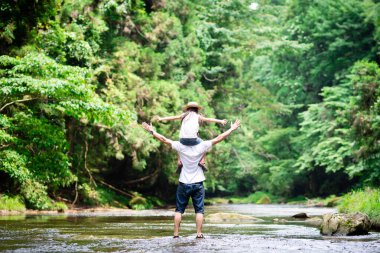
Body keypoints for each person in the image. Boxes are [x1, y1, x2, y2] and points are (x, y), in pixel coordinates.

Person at [141, 119, 241, 239]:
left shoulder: (180, 146)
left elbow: (163, 139)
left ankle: (176, 234)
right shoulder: (202, 146)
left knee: (179, 210)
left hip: (183, 182)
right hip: (198, 183)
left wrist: (152, 131)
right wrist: (231, 129)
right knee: (199, 210)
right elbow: (219, 138)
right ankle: (199, 233)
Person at [155, 102, 227, 172]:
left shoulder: (184, 115)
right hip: (193, 140)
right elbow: (209, 119)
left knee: (179, 146)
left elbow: (173, 118)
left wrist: (161, 118)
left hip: (183, 140)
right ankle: (202, 161)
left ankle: (179, 162)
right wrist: (220, 121)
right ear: (196, 109)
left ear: (188, 109)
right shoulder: (198, 116)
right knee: (204, 145)